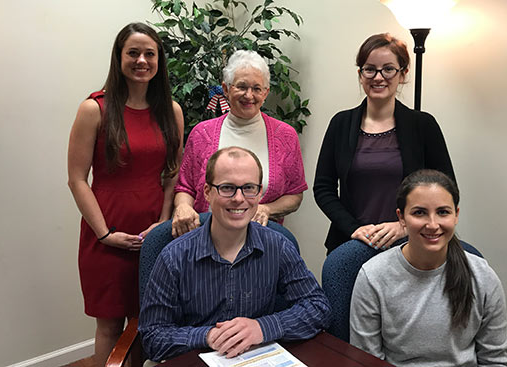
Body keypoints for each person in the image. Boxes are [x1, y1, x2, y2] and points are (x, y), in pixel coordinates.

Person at [139, 147, 330, 361]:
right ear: (207, 192)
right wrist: (207, 335)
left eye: (249, 188)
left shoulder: (278, 246)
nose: (239, 199)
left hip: (255, 357)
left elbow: (318, 307)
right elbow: (152, 337)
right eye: (227, 188)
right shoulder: (174, 257)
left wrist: (262, 327)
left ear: (259, 193)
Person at [67, 22, 183, 365]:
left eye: (150, 53)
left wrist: (163, 222)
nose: (142, 60)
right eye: (133, 52)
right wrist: (104, 234)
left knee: (150, 318)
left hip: (153, 228)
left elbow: (172, 172)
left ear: (159, 60)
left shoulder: (171, 111)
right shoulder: (94, 109)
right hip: (106, 230)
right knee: (110, 324)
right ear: (119, 57)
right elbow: (76, 179)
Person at [349, 169, 507, 366]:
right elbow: (367, 361)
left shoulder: (482, 276)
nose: (433, 225)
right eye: (419, 213)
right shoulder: (373, 276)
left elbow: (495, 361)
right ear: (401, 218)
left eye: (443, 212)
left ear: (456, 215)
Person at [313, 33, 455, 254]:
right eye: (370, 69)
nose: (378, 77)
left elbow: (447, 189)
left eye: (388, 69)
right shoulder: (340, 123)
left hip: (410, 246)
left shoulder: (423, 125)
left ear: (403, 73)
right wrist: (354, 229)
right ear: (360, 74)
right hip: (352, 244)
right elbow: (323, 188)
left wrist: (403, 226)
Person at [172, 50, 307, 237]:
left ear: (266, 92)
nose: (249, 95)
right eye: (241, 87)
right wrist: (183, 206)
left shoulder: (285, 136)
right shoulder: (201, 133)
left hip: (263, 242)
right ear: (226, 89)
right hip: (204, 238)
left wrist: (266, 209)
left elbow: (295, 195)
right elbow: (184, 188)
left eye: (257, 88)